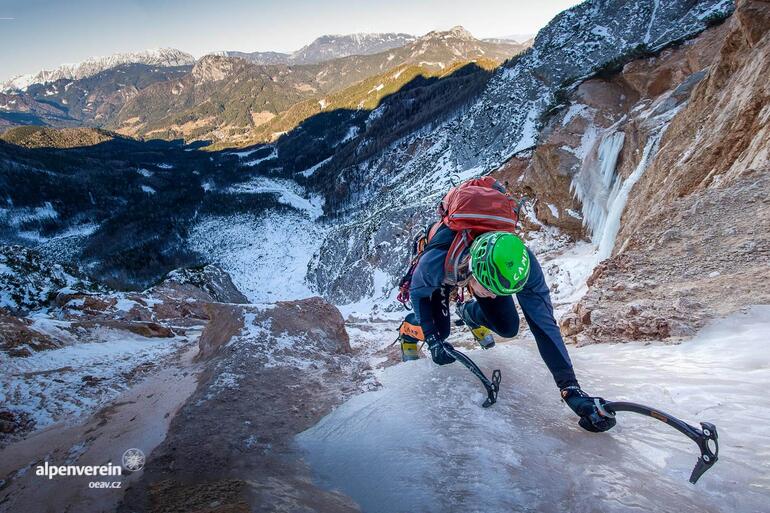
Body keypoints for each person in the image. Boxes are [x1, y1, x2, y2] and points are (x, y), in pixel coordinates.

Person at [409, 227, 616, 433]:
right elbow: (418, 293)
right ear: (472, 273)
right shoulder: (434, 263)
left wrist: (570, 388)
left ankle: (467, 312)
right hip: (447, 268)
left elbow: (544, 326)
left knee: (507, 328)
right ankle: (408, 332)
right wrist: (432, 339)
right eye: (489, 290)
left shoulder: (524, 265)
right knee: (440, 332)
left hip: (482, 269)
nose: (493, 296)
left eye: (497, 292)